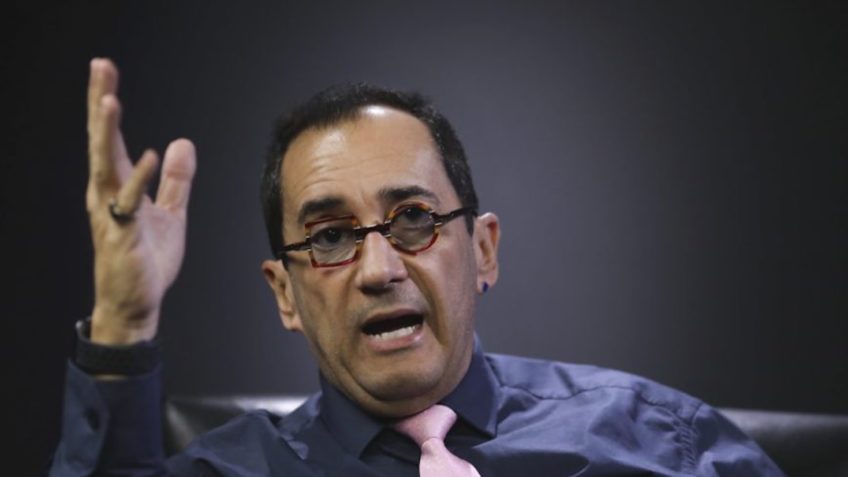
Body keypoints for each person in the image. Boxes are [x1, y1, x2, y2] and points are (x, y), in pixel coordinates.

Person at [49, 58, 784, 476]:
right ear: (286, 294)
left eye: (413, 220)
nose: (378, 269)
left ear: (483, 249)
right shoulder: (232, 470)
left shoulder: (659, 441)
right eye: (330, 237)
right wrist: (124, 320)